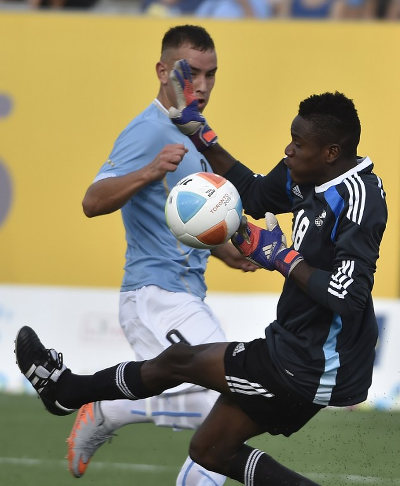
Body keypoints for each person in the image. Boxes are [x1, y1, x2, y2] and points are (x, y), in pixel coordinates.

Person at [15, 79, 387, 485]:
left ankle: (68, 391)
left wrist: (281, 258)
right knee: (210, 449)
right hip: (297, 346)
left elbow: (348, 296)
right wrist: (201, 134)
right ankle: (69, 393)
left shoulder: (359, 199)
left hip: (313, 363)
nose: (288, 150)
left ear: (331, 152)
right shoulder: (309, 174)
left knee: (181, 363)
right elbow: (257, 194)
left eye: (298, 143)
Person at [66, 25, 256, 486]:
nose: (204, 86)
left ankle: (111, 408)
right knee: (228, 407)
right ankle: (109, 410)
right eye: (192, 75)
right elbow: (92, 201)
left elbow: (185, 216)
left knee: (230, 407)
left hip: (184, 296)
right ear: (162, 70)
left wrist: (229, 251)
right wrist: (150, 170)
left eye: (212, 75)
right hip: (153, 296)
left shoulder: (193, 135)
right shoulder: (148, 130)